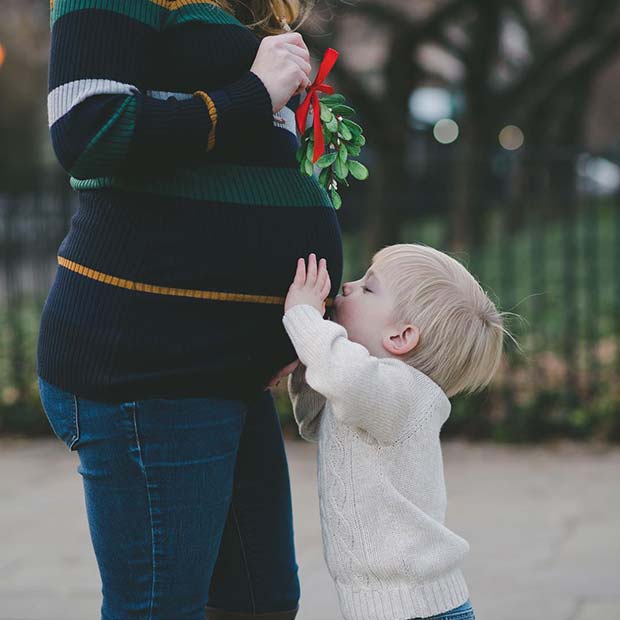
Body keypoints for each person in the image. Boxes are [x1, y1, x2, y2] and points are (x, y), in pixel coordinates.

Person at [37, 1, 342, 618]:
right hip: (151, 358)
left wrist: (286, 329)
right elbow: (87, 129)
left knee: (262, 603)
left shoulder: (239, 8)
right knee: (161, 607)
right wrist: (255, 93)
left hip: (227, 368)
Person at [282, 246, 511, 620]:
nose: (350, 287)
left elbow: (344, 377)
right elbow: (313, 421)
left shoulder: (401, 392)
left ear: (401, 337)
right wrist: (305, 355)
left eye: (369, 288)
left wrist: (303, 317)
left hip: (415, 609)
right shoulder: (373, 393)